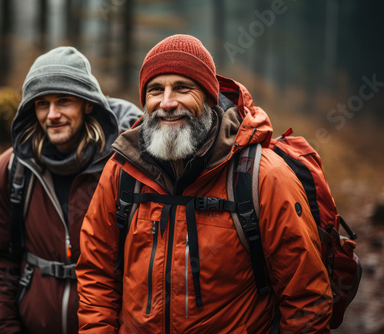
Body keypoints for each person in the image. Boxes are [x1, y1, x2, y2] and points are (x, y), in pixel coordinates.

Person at [76, 34, 333, 333]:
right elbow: (97, 275)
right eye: (156, 90)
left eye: (183, 88)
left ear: (210, 98)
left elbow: (307, 299)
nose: (167, 103)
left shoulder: (263, 177)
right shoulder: (122, 172)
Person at [0, 46, 142, 334]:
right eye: (42, 103)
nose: (52, 115)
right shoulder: (12, 170)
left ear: (88, 104)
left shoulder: (124, 167)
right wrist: (2, 328)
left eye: (63, 101)